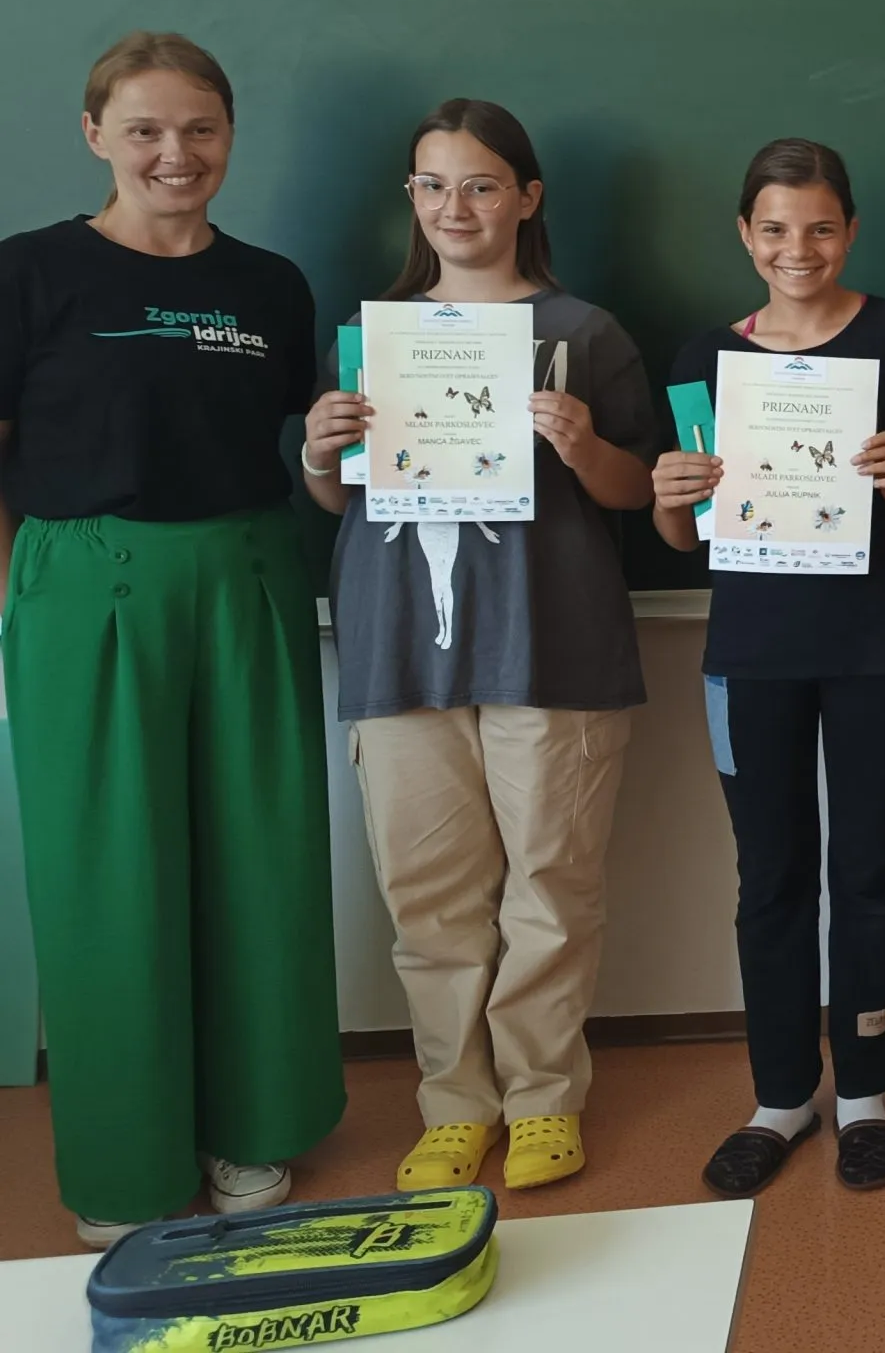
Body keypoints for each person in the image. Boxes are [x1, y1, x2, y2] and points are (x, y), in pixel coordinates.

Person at [0, 32, 340, 1243]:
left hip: (246, 579)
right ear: (96, 134)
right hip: (80, 588)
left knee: (261, 858)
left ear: (230, 136)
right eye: (144, 129)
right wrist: (16, 608)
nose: (174, 153)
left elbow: (309, 452)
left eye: (199, 128)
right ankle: (126, 1162)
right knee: (107, 874)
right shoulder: (29, 271)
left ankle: (253, 1127)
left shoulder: (273, 285)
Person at [302, 99, 658, 1195]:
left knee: (551, 885)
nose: (455, 207)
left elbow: (645, 493)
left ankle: (545, 1095)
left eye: (481, 185)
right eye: (434, 185)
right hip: (398, 647)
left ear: (526, 197)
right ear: (410, 198)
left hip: (553, 646)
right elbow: (338, 495)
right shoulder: (369, 336)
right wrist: (318, 450)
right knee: (429, 896)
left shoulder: (586, 331)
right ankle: (456, 1103)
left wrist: (584, 446)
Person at [651, 140, 885, 1199]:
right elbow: (682, 537)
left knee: (869, 868)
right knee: (770, 876)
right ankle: (781, 1096)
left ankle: (865, 1092)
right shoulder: (703, 358)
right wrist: (669, 495)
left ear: (850, 230)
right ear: (745, 234)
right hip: (750, 658)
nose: (798, 248)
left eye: (821, 227)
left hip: (879, 649)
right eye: (775, 228)